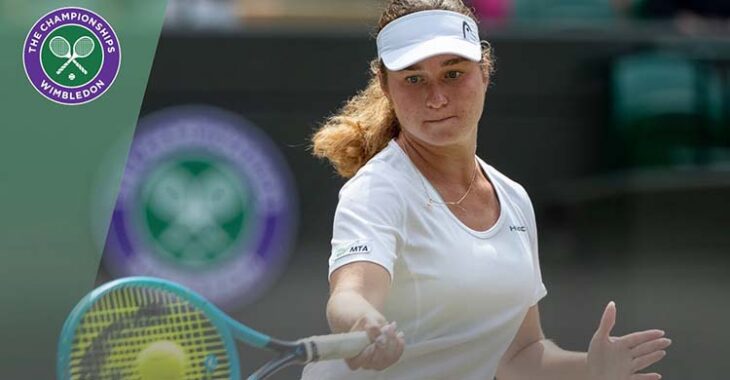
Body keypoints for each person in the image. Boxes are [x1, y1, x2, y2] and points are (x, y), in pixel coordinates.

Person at [302, 1, 672, 379]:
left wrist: (591, 369)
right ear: (385, 86)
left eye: (453, 73)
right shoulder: (376, 191)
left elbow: (520, 355)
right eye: (413, 79)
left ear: (484, 71)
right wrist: (363, 324)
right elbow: (351, 293)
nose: (437, 98)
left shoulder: (513, 200)